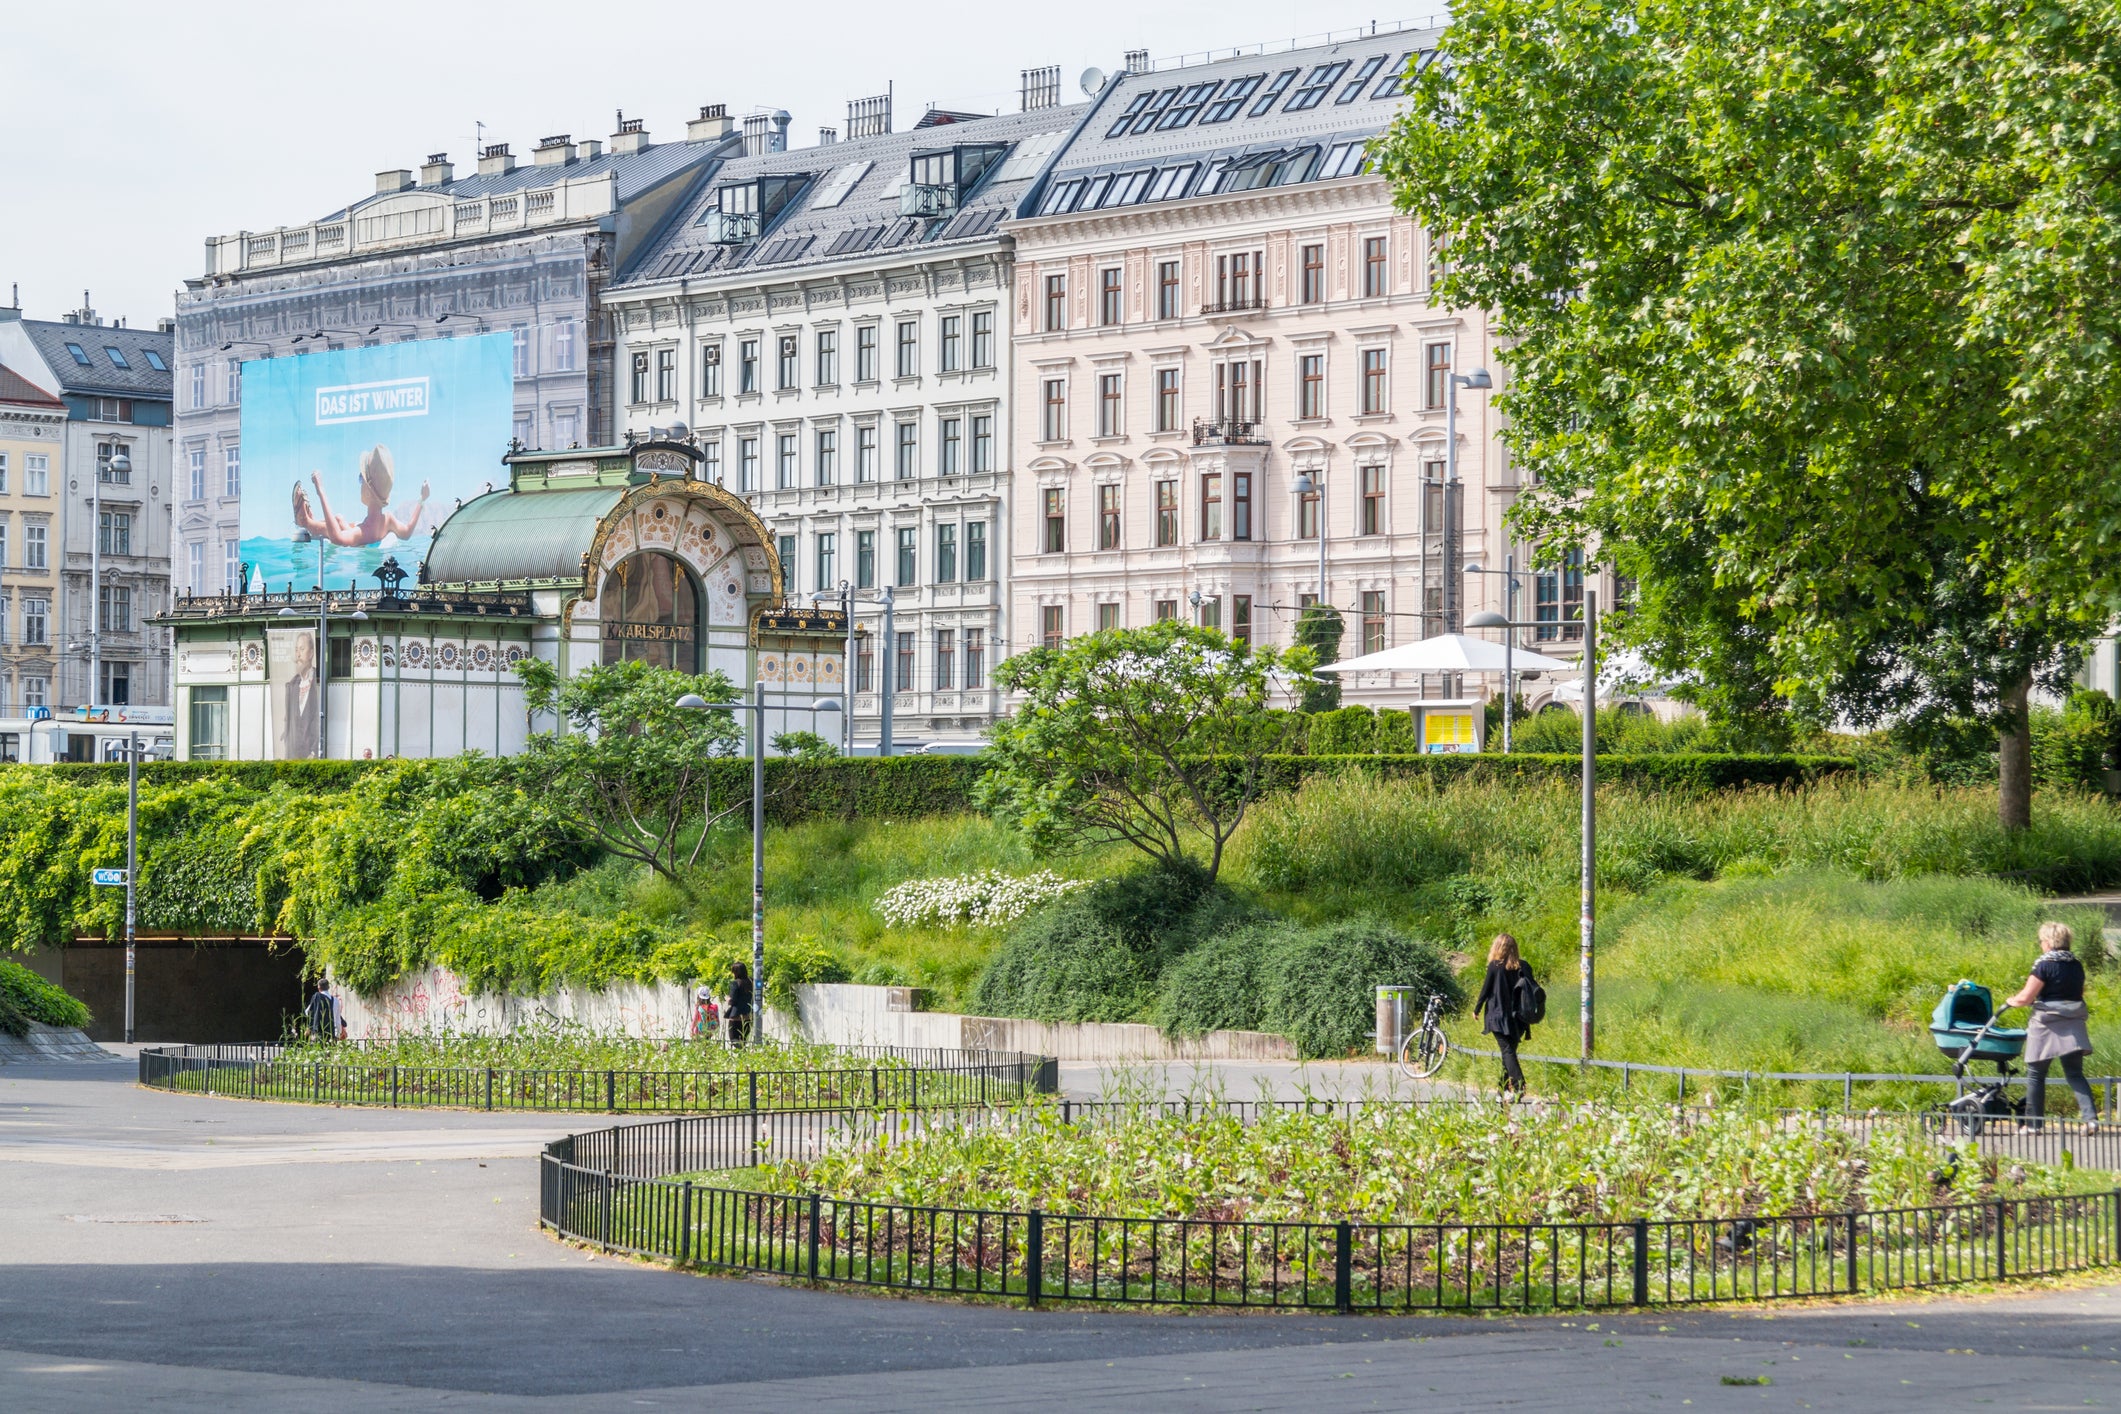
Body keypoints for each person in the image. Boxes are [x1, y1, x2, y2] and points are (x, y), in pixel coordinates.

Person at [2002, 921, 2099, 1129]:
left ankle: (2034, 1125)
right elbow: (2079, 992)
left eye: (2041, 941)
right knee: (2075, 1074)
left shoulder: (2044, 965)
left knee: (2036, 1075)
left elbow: (2026, 997)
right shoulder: (2076, 965)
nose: (2041, 944)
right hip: (2073, 1023)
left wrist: (2011, 1001)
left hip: (2046, 1024)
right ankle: (2091, 1120)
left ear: (2048, 941)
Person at [292, 445, 430, 548]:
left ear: (369, 492)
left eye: (360, 479)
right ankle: (309, 522)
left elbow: (337, 539)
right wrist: (422, 499)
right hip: (361, 530)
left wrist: (320, 491)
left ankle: (306, 522)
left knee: (336, 525)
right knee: (339, 519)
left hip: (357, 543)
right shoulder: (388, 519)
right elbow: (407, 532)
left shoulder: (364, 531)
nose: (359, 483)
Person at [1473, 933, 1536, 1097]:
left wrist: (1477, 1009)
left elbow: (1486, 990)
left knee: (1507, 1052)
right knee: (1508, 1053)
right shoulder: (1524, 966)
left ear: (1497, 948)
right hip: (1519, 1018)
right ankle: (1502, 1091)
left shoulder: (1495, 966)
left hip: (1498, 1016)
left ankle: (1518, 1085)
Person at [725, 961, 753, 1047]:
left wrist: (728, 999)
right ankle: (744, 1053)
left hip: (736, 1016)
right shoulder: (751, 981)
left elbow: (733, 1001)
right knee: (743, 1040)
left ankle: (742, 1053)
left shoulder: (735, 983)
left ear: (735, 972)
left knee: (734, 1040)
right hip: (748, 1015)